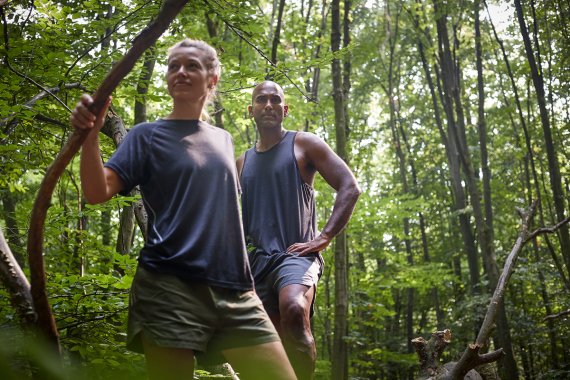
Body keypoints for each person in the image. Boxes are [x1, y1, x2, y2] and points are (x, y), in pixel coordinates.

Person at [71, 39, 297, 380]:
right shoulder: (146, 136)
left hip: (235, 289)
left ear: (212, 78)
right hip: (168, 285)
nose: (180, 72)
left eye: (192, 65)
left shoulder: (223, 139)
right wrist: (88, 136)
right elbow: (96, 191)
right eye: (174, 66)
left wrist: (248, 282)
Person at [237, 81, 361, 380]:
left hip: (296, 255)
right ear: (251, 110)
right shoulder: (242, 162)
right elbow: (232, 218)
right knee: (264, 341)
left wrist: (325, 236)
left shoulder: (304, 144)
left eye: (275, 100)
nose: (269, 104)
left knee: (293, 308)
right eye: (261, 100)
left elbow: (350, 187)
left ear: (285, 109)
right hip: (256, 264)